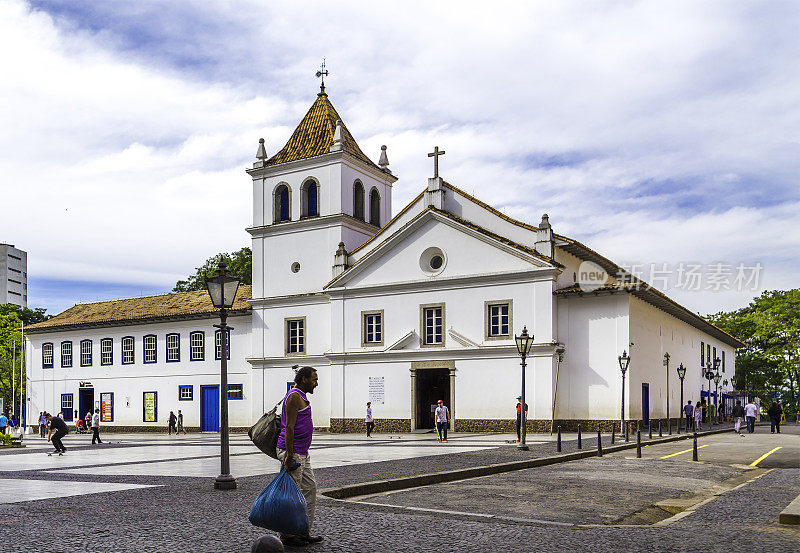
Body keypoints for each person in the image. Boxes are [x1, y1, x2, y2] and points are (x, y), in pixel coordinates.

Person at [276, 366, 323, 547]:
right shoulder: (294, 396)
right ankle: (288, 535)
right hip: (293, 453)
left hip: (302, 452)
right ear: (303, 379)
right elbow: (289, 427)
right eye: (314, 380)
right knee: (291, 495)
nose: (316, 383)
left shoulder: (302, 396)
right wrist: (288, 456)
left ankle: (303, 532)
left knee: (310, 489)